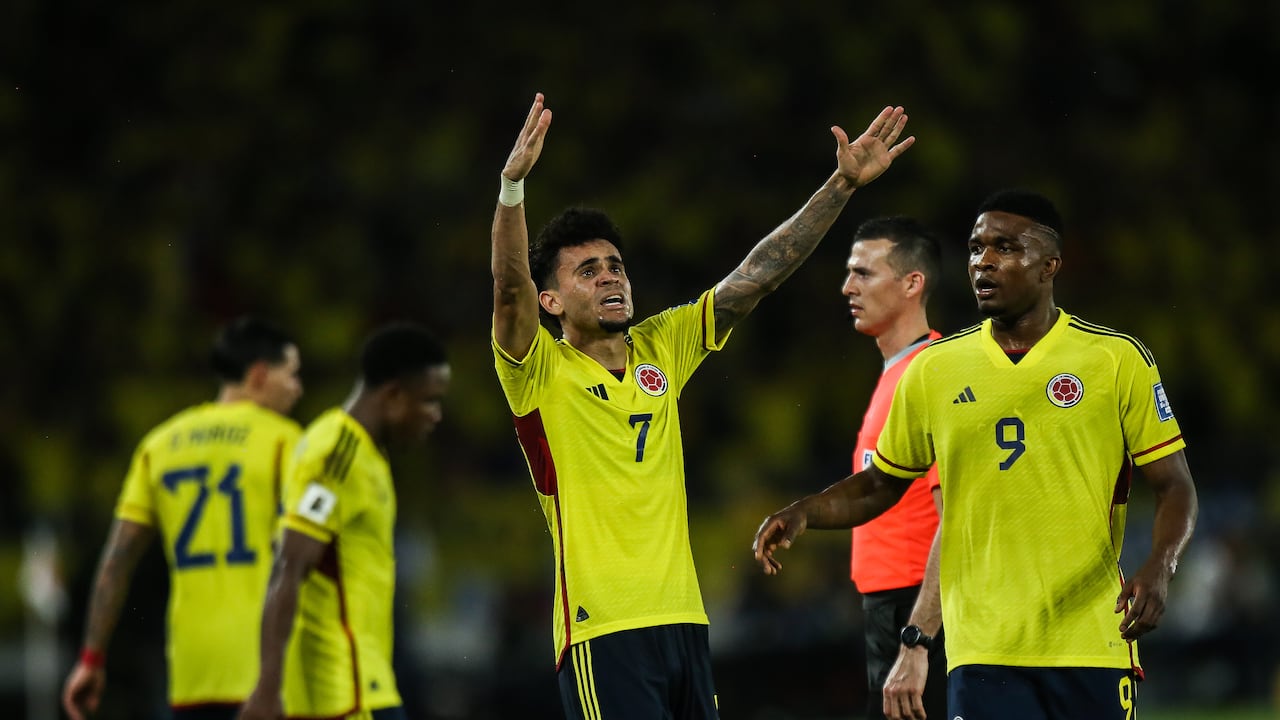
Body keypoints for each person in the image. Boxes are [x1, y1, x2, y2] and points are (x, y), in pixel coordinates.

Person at [490, 92, 914, 720]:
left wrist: (841, 185)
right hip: (602, 628)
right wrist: (513, 189)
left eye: (615, 266)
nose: (610, 277)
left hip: (685, 621)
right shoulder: (538, 370)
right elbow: (506, 287)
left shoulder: (661, 345)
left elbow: (759, 274)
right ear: (549, 302)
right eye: (587, 272)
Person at [753, 189, 1199, 720]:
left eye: (1005, 248)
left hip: (1089, 641)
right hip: (981, 651)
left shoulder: (1114, 360)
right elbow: (880, 485)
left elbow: (1174, 485)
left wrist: (1160, 566)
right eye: (975, 248)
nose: (983, 261)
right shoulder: (936, 370)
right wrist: (806, 510)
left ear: (1049, 265)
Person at [62, 317, 305, 720]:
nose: (298, 389)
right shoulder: (286, 441)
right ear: (260, 375)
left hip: (192, 673)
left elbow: (117, 559)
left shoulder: (159, 445)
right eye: (292, 375)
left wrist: (91, 658)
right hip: (271, 673)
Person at [237, 322, 450, 720]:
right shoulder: (337, 453)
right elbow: (288, 566)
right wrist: (267, 689)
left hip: (368, 685)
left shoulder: (368, 453)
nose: (435, 416)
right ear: (393, 395)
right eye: (429, 401)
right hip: (340, 697)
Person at [840, 216, 947, 720]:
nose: (847, 287)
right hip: (890, 605)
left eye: (864, 273)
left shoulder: (930, 376)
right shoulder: (899, 372)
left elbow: (958, 518)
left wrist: (918, 638)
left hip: (918, 608)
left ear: (911, 283)